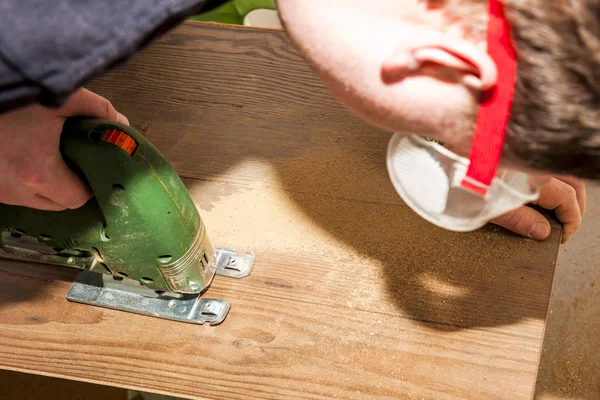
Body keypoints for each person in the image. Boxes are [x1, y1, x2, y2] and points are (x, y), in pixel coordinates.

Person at [0, 0, 588, 243]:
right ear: (437, 63)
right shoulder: (41, 33)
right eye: (487, 145)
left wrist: (464, 130)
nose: (488, 164)